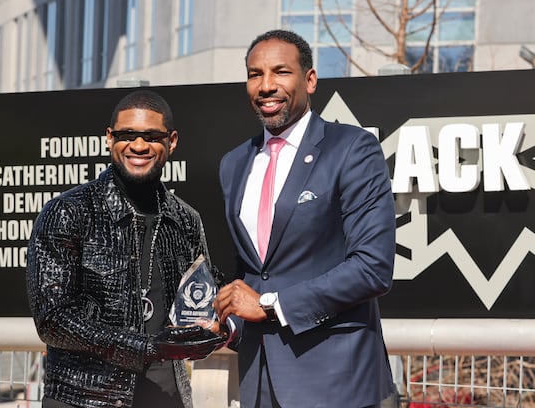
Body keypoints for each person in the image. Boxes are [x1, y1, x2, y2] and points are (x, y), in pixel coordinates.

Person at [213, 29, 397, 407]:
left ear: (309, 80)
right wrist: (226, 321)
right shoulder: (233, 163)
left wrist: (268, 305)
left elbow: (372, 267)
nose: (266, 86)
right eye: (254, 74)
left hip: (336, 380)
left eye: (281, 72)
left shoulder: (351, 148)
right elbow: (250, 269)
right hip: (257, 380)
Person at [27, 89, 224, 408]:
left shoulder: (185, 219)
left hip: (166, 397)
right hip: (85, 398)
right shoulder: (69, 212)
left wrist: (214, 328)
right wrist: (147, 346)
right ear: (109, 138)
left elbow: (203, 296)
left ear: (171, 142)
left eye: (152, 136)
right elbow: (53, 320)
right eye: (127, 134)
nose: (139, 145)